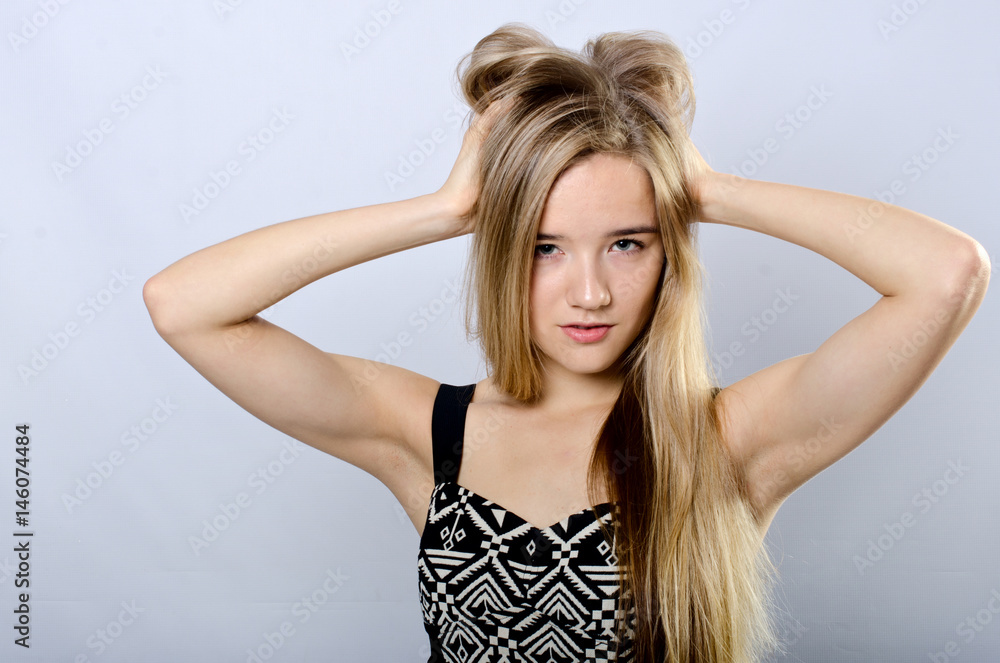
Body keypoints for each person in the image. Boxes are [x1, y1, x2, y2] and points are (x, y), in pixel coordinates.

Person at [143, 22, 990, 663]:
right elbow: (184, 303)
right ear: (503, 250)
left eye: (628, 242)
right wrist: (443, 211)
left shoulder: (729, 438)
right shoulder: (428, 430)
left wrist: (707, 188)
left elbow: (947, 273)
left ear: (669, 254)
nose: (590, 291)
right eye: (546, 246)